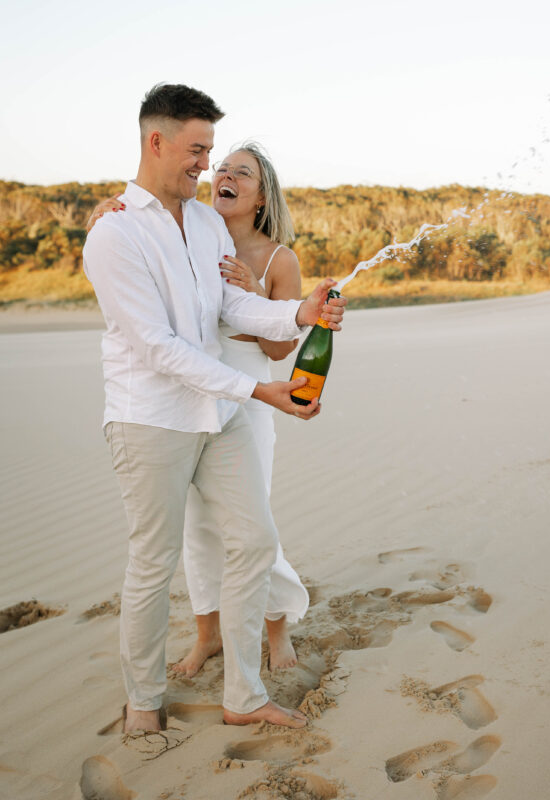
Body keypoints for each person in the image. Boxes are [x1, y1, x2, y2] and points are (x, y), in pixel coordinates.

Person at [83, 84, 346, 734]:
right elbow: (158, 347)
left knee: (253, 539)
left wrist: (298, 311)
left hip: (218, 416)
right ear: (157, 142)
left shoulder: (203, 223)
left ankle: (243, 696)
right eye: (197, 150)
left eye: (210, 150)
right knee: (154, 560)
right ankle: (143, 705)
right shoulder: (113, 235)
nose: (206, 164)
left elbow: (231, 309)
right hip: (150, 419)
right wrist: (258, 391)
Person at [90, 141, 309, 673]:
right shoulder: (190, 231)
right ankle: (206, 634)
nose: (224, 174)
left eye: (243, 173)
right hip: (187, 394)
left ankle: (277, 629)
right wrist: (105, 212)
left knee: (252, 524)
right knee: (198, 529)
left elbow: (280, 348)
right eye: (222, 167)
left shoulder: (280, 257)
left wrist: (258, 292)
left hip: (252, 394)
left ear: (261, 197)